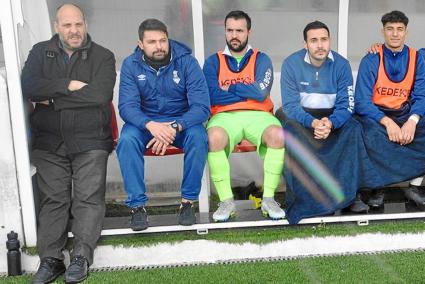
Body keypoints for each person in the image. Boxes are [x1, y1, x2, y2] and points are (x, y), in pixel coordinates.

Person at [21, 4, 116, 283]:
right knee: (54, 200)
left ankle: (80, 258)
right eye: (67, 26)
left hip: (91, 139)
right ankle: (50, 260)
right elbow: (29, 86)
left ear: (85, 24)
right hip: (49, 142)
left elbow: (99, 95)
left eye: (78, 25)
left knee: (88, 198)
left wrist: (52, 99)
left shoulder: (103, 56)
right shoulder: (41, 52)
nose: (74, 31)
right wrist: (70, 85)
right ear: (56, 26)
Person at [117, 19, 210, 230]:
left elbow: (202, 107)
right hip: (146, 124)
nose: (159, 46)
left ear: (168, 40)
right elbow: (127, 107)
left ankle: (188, 202)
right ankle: (137, 207)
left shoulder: (187, 62)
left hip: (181, 123)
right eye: (152, 42)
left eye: (162, 40)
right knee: (127, 140)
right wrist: (151, 125)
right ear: (140, 44)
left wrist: (174, 127)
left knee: (199, 137)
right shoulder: (131, 64)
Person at [280, 21, 373, 224]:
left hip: (331, 116)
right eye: (314, 40)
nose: (320, 45)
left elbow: (347, 105)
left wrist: (330, 123)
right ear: (305, 44)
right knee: (289, 131)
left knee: (354, 129)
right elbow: (289, 106)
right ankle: (303, 198)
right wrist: (313, 123)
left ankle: (350, 196)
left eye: (324, 39)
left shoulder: (341, 64)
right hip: (303, 116)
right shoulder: (290, 64)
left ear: (329, 40)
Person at [203, 10, 285, 222]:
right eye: (230, 30)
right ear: (225, 32)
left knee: (277, 134)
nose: (234, 35)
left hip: (259, 115)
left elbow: (261, 93)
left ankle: (268, 198)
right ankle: (226, 201)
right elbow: (212, 95)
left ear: (249, 32)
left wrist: (229, 90)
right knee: (213, 139)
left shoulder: (262, 58)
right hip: (224, 116)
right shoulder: (213, 61)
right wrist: (246, 91)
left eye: (239, 30)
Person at [355, 10, 425, 209]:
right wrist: (386, 121)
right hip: (376, 114)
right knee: (368, 133)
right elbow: (361, 100)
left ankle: (414, 186)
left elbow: (422, 94)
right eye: (390, 29)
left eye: (399, 29)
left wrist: (412, 121)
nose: (395, 34)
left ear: (406, 32)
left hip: (404, 112)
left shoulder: (417, 57)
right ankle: (378, 187)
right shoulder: (371, 58)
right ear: (383, 31)